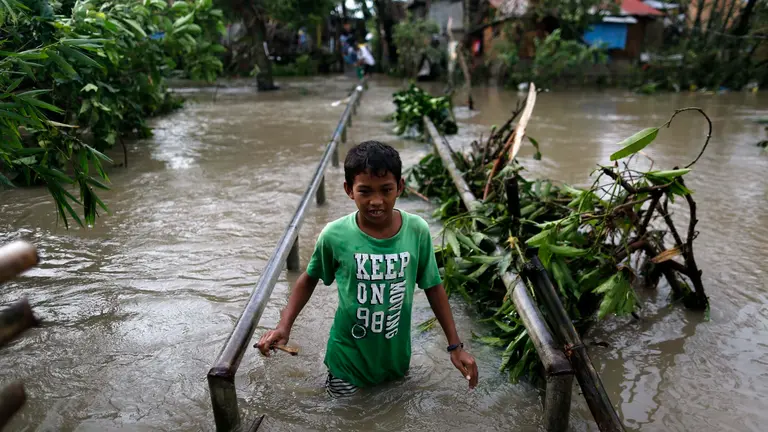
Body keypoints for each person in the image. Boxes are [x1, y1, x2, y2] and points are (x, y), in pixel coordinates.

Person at [256, 141, 479, 398]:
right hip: (347, 362)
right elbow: (308, 279)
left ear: (401, 187)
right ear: (349, 190)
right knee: (346, 417)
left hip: (395, 360)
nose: (377, 201)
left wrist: (455, 345)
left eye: (386, 190)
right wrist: (284, 326)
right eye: (365, 191)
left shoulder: (417, 230)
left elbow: (433, 286)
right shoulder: (335, 235)